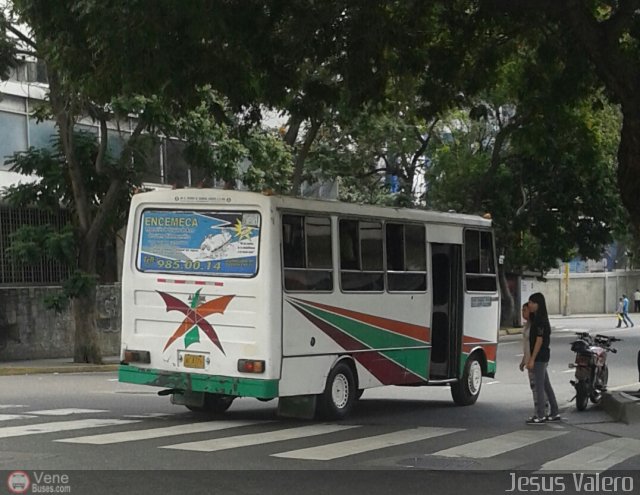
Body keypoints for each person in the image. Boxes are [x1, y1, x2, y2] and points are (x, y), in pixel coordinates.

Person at [526, 292, 560, 424]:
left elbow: (539, 341)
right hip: (543, 355)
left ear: (538, 304)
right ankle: (555, 411)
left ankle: (540, 414)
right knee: (546, 385)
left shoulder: (540, 320)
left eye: (531, 302)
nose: (530, 305)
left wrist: (532, 359)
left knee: (539, 386)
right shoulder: (538, 318)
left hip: (540, 356)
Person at [519, 303, 549, 416]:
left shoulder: (534, 325)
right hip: (529, 359)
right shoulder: (527, 325)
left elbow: (536, 343)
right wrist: (523, 360)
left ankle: (541, 411)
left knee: (538, 387)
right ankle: (540, 410)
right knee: (536, 386)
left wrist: (531, 359)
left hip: (535, 360)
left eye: (525, 310)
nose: (523, 312)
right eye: (522, 310)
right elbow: (526, 345)